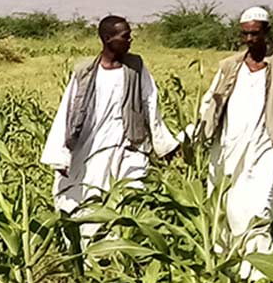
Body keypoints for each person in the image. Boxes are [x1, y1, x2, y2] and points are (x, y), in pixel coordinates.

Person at [39, 15, 179, 236]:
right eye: (125, 36)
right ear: (107, 39)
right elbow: (66, 113)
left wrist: (164, 146)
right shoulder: (85, 73)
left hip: (127, 148)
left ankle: (121, 255)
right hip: (90, 150)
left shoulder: (136, 68)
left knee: (129, 200)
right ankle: (87, 253)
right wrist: (60, 155)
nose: (130, 40)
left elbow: (151, 104)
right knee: (85, 202)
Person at [192, 6, 273, 276]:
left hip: (266, 147)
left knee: (261, 205)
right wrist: (197, 135)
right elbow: (211, 102)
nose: (250, 39)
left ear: (266, 32)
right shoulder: (231, 66)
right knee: (226, 204)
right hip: (229, 147)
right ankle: (226, 264)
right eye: (245, 34)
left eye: (255, 33)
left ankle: (258, 273)